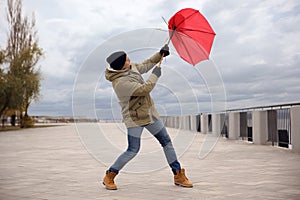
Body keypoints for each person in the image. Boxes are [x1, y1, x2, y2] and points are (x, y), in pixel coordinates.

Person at [103, 44, 193, 190]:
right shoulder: (120, 83)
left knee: (166, 142)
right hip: (135, 118)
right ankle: (110, 175)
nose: (129, 61)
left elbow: (145, 65)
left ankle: (178, 174)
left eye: (128, 58)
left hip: (150, 114)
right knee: (133, 150)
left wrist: (160, 54)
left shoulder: (130, 67)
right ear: (121, 66)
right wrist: (156, 74)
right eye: (126, 60)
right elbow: (145, 89)